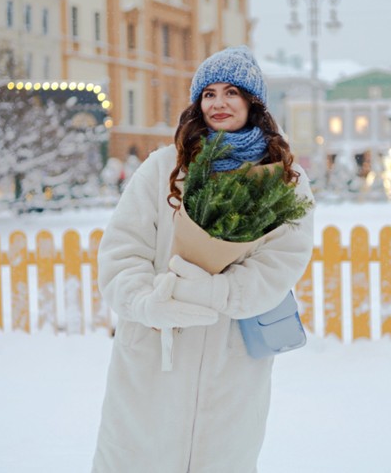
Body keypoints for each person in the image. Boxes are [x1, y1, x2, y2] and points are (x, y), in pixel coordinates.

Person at [91, 46, 315, 472]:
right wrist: (146, 302)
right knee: (136, 458)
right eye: (208, 93)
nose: (219, 102)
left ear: (253, 102)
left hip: (231, 354)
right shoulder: (164, 168)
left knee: (222, 458)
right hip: (154, 351)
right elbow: (122, 250)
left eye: (232, 91)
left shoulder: (285, 178)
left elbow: (282, 261)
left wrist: (217, 292)